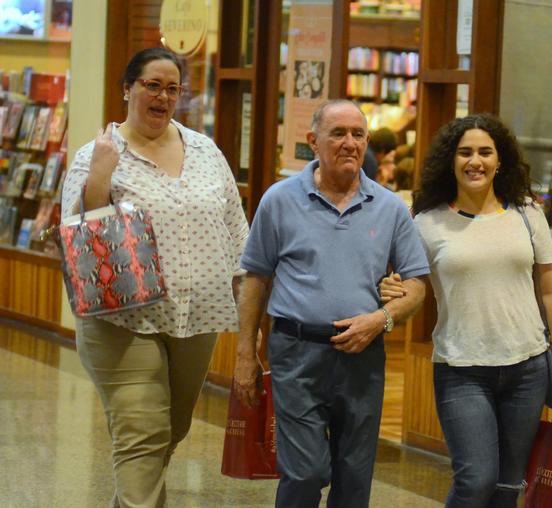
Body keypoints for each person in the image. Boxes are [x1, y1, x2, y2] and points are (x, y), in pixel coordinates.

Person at [61, 47, 249, 508]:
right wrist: (101, 179)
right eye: (152, 85)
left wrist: (251, 315)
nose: (163, 96)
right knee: (143, 436)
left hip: (196, 320)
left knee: (169, 431)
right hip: (123, 321)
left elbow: (236, 228)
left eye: (172, 88)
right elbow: (78, 241)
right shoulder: (98, 153)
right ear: (127, 89)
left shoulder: (205, 150)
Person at [380, 114, 552, 508]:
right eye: (466, 153)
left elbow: (550, 292)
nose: (475, 161)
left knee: (508, 487)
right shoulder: (427, 222)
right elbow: (410, 285)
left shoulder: (527, 214)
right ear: (451, 161)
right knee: (476, 480)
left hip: (527, 368)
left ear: (499, 160)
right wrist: (391, 288)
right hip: (462, 370)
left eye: (485, 152)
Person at [235, 99, 429, 508]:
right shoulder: (279, 199)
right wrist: (244, 352)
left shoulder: (391, 207)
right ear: (313, 141)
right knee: (306, 473)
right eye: (338, 133)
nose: (349, 143)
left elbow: (417, 286)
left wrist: (382, 320)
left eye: (358, 135)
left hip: (363, 354)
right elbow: (256, 278)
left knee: (354, 479)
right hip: (297, 352)